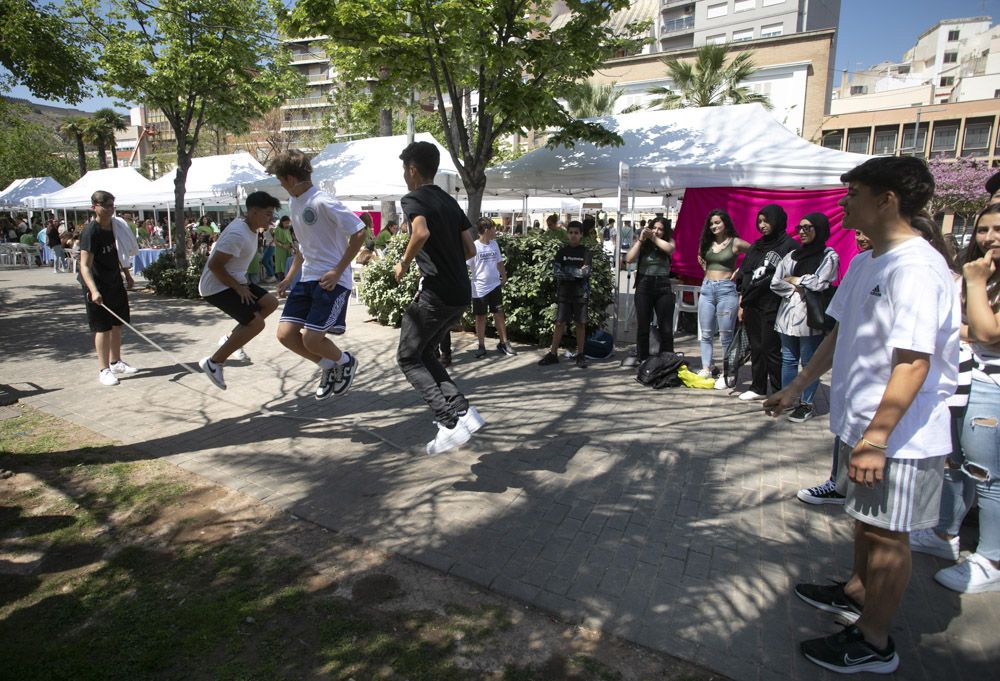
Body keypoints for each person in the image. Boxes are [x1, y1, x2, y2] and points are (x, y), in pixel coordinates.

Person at [764, 156, 959, 674]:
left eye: (853, 194)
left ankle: (874, 642)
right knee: (864, 522)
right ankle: (855, 592)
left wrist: (876, 438)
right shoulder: (869, 261)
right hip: (864, 424)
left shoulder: (916, 267)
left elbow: (914, 362)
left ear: (886, 200)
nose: (844, 203)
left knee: (889, 533)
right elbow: (838, 332)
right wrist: (798, 386)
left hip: (899, 436)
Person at [910, 203, 1000, 593]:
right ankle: (945, 535)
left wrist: (975, 284)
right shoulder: (978, 272)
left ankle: (992, 557)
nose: (989, 238)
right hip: (961, 379)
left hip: (991, 387)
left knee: (986, 475)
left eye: (997, 229)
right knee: (955, 462)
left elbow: (987, 333)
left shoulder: (977, 276)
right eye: (983, 229)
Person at [394, 140, 483, 455]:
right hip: (461, 290)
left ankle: (448, 423)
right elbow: (471, 249)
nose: (405, 176)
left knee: (407, 356)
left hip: (438, 291)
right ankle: (463, 412)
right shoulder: (449, 201)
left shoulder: (414, 199)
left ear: (413, 170)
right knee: (427, 352)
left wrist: (403, 262)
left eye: (405, 170)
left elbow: (420, 233)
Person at [268, 150, 366, 400]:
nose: (280, 185)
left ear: (290, 178)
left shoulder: (323, 201)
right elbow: (303, 246)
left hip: (332, 281)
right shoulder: (293, 203)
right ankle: (327, 366)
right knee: (285, 335)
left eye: (280, 180)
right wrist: (290, 277)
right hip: (307, 278)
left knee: (312, 339)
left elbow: (359, 231)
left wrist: (337, 270)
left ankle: (345, 362)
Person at [197, 192, 281, 390]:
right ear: (253, 212)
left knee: (270, 303)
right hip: (217, 286)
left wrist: (240, 285)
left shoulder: (249, 227)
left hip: (235, 280)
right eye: (267, 214)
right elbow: (215, 266)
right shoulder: (238, 234)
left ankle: (230, 339)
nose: (271, 218)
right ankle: (214, 362)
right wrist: (238, 288)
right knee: (256, 324)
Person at [770, 213, 839, 423]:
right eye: (800, 228)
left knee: (809, 361)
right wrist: (796, 288)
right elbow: (775, 282)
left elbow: (820, 283)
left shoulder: (828, 256)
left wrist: (795, 279)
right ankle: (787, 398)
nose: (802, 232)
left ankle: (807, 404)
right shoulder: (792, 255)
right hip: (787, 313)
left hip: (810, 316)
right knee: (788, 359)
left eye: (808, 227)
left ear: (819, 229)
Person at [78, 191, 139, 386]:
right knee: (102, 328)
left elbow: (120, 254)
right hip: (96, 284)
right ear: (94, 206)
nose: (110, 210)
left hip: (114, 281)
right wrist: (93, 290)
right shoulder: (91, 231)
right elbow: (84, 265)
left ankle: (116, 362)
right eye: (106, 206)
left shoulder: (115, 227)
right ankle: (103, 369)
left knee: (117, 324)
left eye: (113, 205)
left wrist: (127, 274)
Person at [736, 205, 796, 400]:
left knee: (771, 348)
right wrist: (741, 303)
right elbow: (745, 273)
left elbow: (795, 274)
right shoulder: (757, 245)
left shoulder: (789, 246)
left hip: (775, 304)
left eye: (766, 221)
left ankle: (778, 390)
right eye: (759, 221)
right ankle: (758, 386)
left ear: (777, 221)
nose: (762, 225)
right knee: (756, 346)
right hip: (752, 302)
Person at [696, 210, 751, 386]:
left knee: (726, 335)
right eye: (711, 223)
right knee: (705, 334)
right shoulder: (708, 243)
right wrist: (704, 265)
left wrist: (740, 270)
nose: (714, 226)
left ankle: (728, 372)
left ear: (725, 223)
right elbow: (701, 257)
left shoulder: (735, 242)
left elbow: (755, 252)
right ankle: (706, 368)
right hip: (706, 289)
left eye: (717, 222)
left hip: (726, 290)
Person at [538, 220, 591, 368]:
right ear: (567, 234)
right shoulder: (562, 252)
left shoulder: (586, 252)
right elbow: (557, 272)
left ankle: (580, 355)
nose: (573, 235)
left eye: (576, 233)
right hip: (564, 294)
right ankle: (553, 354)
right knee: (560, 323)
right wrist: (576, 272)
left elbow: (585, 273)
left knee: (580, 324)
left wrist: (568, 270)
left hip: (581, 294)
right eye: (571, 232)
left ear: (581, 235)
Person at [626, 215, 676, 362]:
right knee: (643, 326)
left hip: (663, 286)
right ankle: (643, 359)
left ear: (665, 231)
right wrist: (641, 240)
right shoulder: (644, 243)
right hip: (644, 285)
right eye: (654, 228)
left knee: (666, 327)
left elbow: (670, 249)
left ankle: (667, 358)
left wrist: (654, 238)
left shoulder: (668, 241)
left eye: (660, 229)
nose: (656, 231)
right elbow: (629, 259)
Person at [468, 217, 516, 358]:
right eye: (494, 228)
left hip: (495, 285)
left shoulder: (494, 244)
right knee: (481, 317)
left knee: (499, 314)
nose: (496, 231)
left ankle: (504, 343)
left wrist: (504, 276)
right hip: (479, 287)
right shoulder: (474, 246)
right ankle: (481, 346)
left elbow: (499, 262)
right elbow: (466, 264)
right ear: (488, 230)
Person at [272, 215, 294, 281]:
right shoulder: (278, 229)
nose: (287, 224)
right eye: (286, 223)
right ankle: (282, 280)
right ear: (282, 222)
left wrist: (292, 246)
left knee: (288, 265)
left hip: (288, 250)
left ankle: (288, 280)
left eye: (288, 223)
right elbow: (275, 241)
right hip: (280, 250)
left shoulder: (288, 229)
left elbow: (290, 239)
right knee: (281, 266)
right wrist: (282, 245)